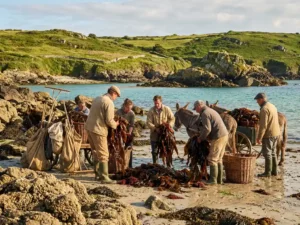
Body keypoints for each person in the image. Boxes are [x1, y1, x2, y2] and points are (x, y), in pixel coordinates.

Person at [85, 86, 121, 183]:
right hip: (98, 129)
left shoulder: (98, 98)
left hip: (89, 127)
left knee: (95, 151)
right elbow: (109, 120)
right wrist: (115, 125)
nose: (116, 97)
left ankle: (97, 174)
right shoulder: (109, 102)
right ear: (113, 93)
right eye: (117, 95)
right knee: (103, 153)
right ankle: (104, 177)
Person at [193, 100, 228, 185]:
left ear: (199, 106)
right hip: (225, 135)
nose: (195, 110)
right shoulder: (211, 110)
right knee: (219, 158)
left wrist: (201, 138)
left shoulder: (205, 113)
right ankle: (219, 180)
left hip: (218, 137)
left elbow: (207, 129)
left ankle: (213, 180)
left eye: (195, 109)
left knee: (212, 159)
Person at [255, 93, 280, 177]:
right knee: (273, 152)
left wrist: (259, 137)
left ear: (261, 99)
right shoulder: (272, 106)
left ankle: (267, 172)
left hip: (269, 134)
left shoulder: (264, 109)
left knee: (267, 153)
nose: (257, 102)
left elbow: (263, 125)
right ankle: (275, 171)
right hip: (276, 133)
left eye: (257, 100)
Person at [147, 95, 175, 164]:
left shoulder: (166, 109)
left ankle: (168, 166)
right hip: (154, 134)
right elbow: (148, 122)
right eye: (155, 103)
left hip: (165, 135)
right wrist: (155, 129)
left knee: (167, 151)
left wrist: (169, 126)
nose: (156, 105)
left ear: (161, 102)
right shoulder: (151, 111)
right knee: (154, 152)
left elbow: (172, 118)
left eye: (158, 103)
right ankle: (155, 165)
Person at [116, 98, 135, 168]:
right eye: (128, 108)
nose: (129, 110)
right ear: (124, 106)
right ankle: (119, 165)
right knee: (119, 149)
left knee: (129, 148)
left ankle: (130, 166)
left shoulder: (132, 114)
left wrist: (129, 132)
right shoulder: (118, 112)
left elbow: (132, 125)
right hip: (119, 132)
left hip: (128, 133)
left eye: (130, 108)